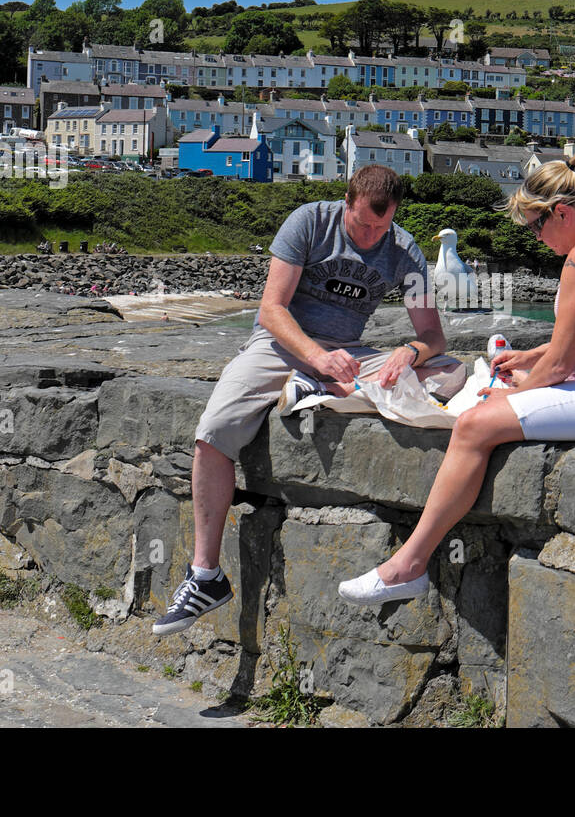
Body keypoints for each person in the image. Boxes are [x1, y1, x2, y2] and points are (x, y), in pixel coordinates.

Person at [337, 151, 575, 605]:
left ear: (563, 212)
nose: (536, 239)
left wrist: (501, 396)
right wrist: (531, 356)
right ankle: (407, 565)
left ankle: (407, 566)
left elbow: (560, 368)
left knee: (475, 425)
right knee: (504, 389)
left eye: (537, 226)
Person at [153, 165, 465, 634]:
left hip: (349, 356)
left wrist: (410, 350)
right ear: (347, 201)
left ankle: (322, 389)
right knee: (213, 432)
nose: (370, 235)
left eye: (381, 227)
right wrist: (316, 358)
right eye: (362, 224)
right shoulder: (309, 221)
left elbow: (433, 337)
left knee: (452, 372)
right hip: (283, 346)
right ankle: (205, 576)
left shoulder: (404, 251)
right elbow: (272, 309)